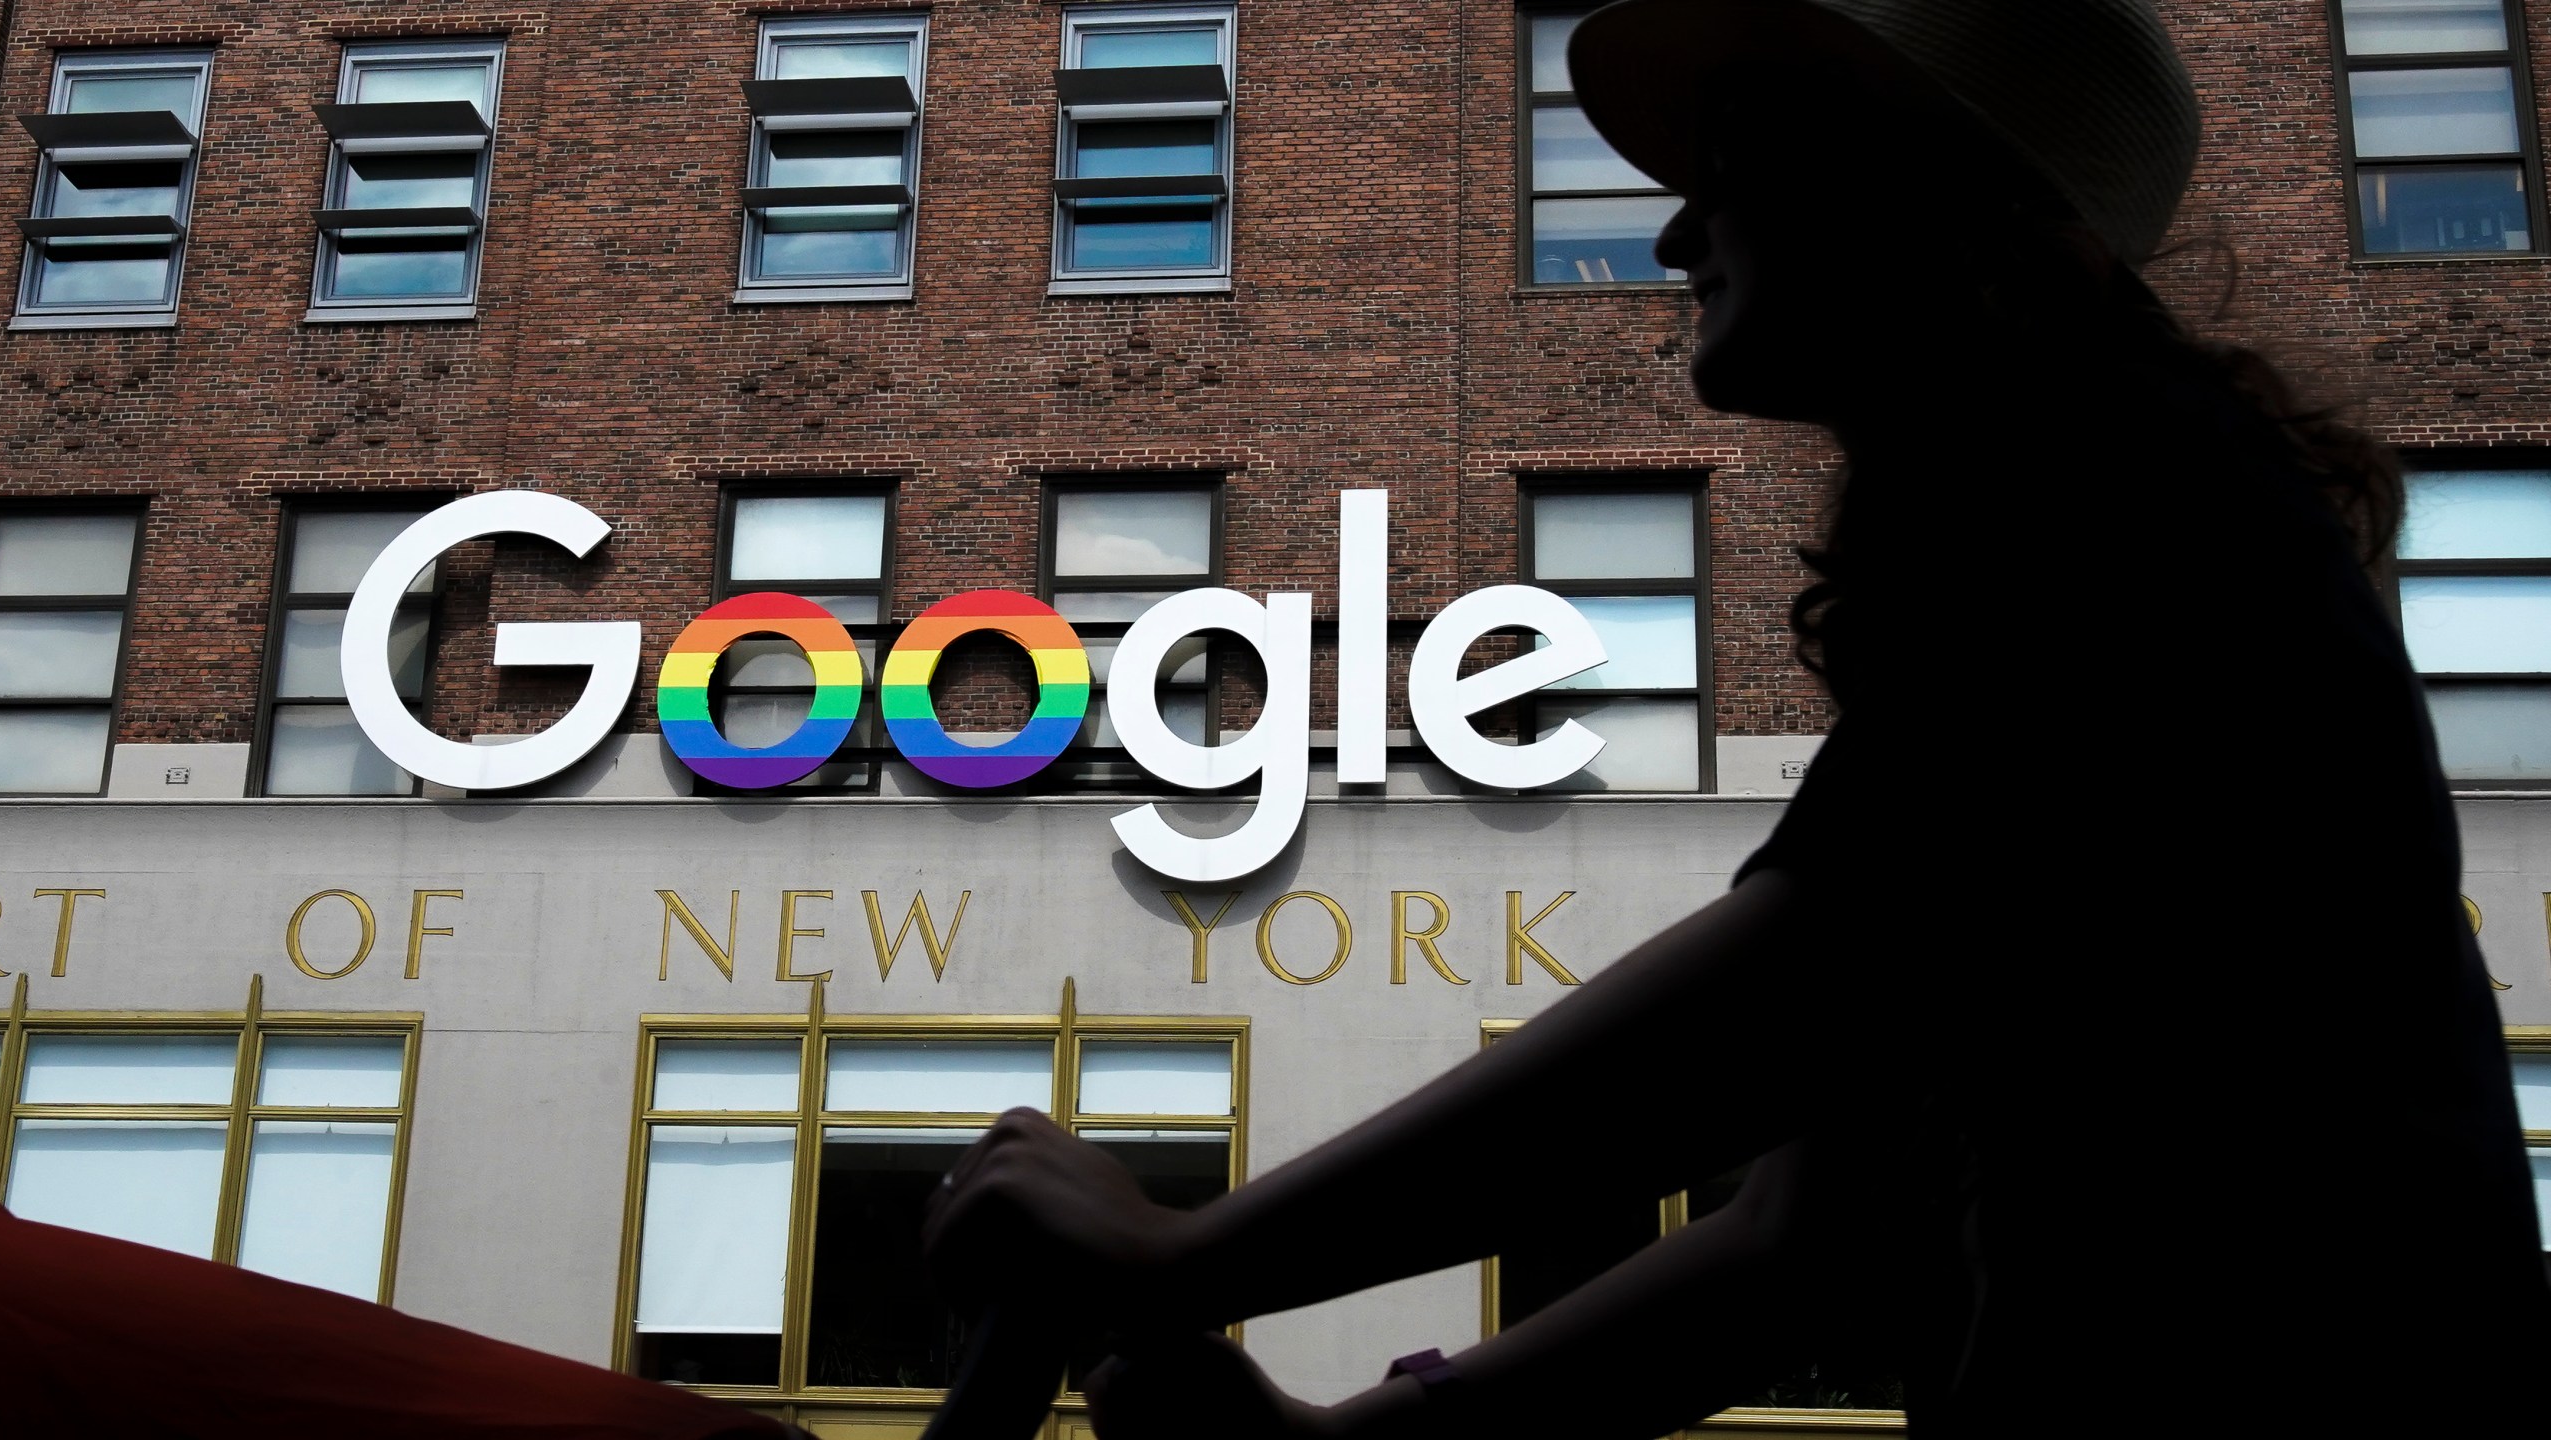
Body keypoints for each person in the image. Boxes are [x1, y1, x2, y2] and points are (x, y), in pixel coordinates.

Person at [924, 1, 2551, 1432]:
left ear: (1907, 181)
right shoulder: (2118, 511)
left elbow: (1820, 981)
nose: (1673, 237)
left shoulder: (2134, 499)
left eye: (1734, 161)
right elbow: (1812, 1231)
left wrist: (1191, 1249)